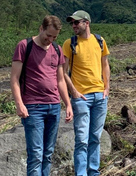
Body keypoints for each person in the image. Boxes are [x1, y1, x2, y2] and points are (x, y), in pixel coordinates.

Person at [10, 15, 73, 176]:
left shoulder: (57, 49)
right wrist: (19, 104)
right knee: (36, 155)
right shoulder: (25, 46)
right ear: (41, 29)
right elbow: (14, 78)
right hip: (33, 107)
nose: (50, 40)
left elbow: (60, 80)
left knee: (48, 154)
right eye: (48, 35)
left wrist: (68, 103)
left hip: (54, 107)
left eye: (54, 37)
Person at [62, 10, 110, 176]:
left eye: (76, 22)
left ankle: (93, 172)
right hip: (81, 97)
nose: (73, 26)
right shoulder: (70, 43)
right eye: (72, 23)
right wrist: (73, 92)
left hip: (100, 96)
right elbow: (62, 71)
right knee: (82, 139)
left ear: (86, 23)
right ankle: (81, 173)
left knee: (95, 138)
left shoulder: (99, 40)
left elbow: (105, 65)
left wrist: (107, 88)